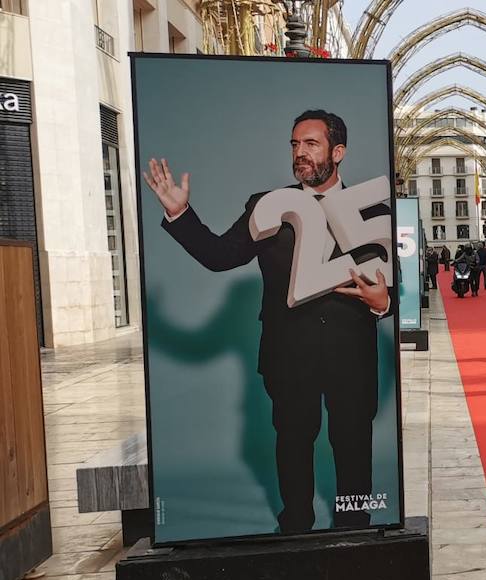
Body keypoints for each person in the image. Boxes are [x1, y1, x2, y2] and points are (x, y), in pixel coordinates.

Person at [142, 109, 389, 532]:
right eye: (295, 144)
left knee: (353, 445)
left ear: (338, 151)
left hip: (352, 357)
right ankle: (295, 531)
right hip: (288, 358)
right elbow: (221, 256)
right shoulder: (268, 208)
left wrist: (382, 302)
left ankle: (353, 535)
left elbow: (391, 287)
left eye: (311, 144)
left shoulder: (373, 211)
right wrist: (181, 214)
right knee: (292, 446)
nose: (300, 153)